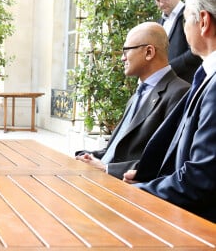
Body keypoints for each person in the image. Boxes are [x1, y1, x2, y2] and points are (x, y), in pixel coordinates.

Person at [124, 0, 216, 223]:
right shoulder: (207, 75)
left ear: (204, 22)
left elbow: (201, 179)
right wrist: (149, 176)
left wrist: (133, 195)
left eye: (186, 19)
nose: (184, 28)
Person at [75, 22, 189, 179]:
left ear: (149, 52)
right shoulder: (138, 95)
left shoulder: (180, 93)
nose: (122, 58)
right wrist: (90, 157)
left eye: (126, 51)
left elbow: (165, 160)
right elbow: (119, 150)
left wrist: (107, 169)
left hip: (129, 189)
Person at [152, 0, 202, 83]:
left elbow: (196, 52)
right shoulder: (159, 22)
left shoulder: (190, 15)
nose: (161, 4)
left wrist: (166, 70)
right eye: (157, 0)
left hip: (187, 84)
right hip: (167, 86)